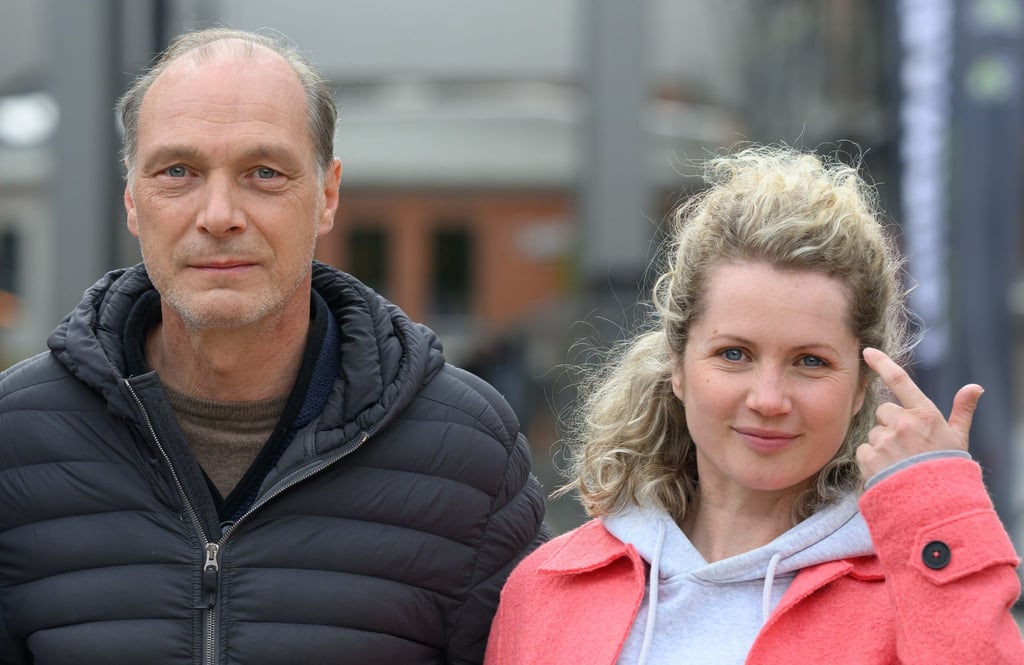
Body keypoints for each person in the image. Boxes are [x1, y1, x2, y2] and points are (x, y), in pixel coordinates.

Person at [0, 27, 547, 664]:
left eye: (264, 172)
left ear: (328, 195)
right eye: (178, 172)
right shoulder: (16, 441)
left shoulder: (466, 453)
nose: (219, 213)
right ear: (131, 199)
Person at [484, 145, 1024, 664]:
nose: (768, 400)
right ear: (677, 364)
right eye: (735, 354)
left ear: (862, 384)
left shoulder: (918, 588)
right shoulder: (548, 586)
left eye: (810, 361)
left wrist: (937, 512)